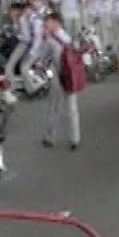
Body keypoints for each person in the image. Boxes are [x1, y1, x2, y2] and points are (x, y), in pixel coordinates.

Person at [34, 12, 81, 150]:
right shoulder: (68, 37)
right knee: (72, 108)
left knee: (54, 107)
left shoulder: (50, 39)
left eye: (47, 22)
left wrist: (42, 38)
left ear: (55, 22)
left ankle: (50, 138)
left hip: (57, 76)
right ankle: (75, 139)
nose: (45, 25)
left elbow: (42, 58)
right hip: (71, 75)